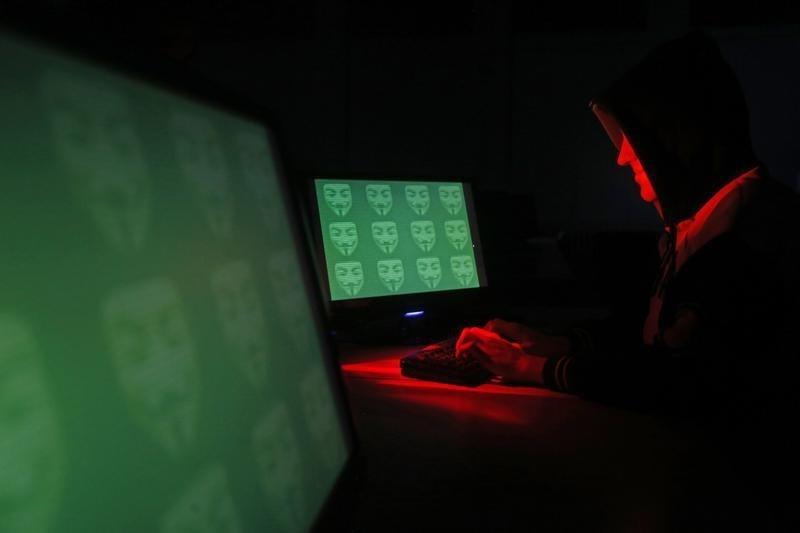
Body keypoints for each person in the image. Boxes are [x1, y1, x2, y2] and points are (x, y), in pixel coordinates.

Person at [456, 31, 800, 526]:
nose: (621, 157)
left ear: (677, 134)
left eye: (634, 139)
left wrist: (534, 371)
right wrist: (552, 343)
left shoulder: (752, 239)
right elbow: (646, 332)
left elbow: (675, 380)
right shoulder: (708, 222)